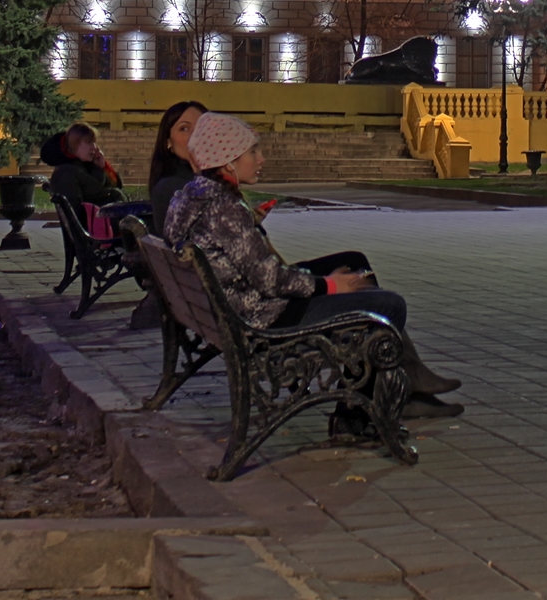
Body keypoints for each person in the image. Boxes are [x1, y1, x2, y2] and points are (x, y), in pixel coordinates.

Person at [165, 111, 464, 436]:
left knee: (355, 262)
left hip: (239, 306)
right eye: (252, 152)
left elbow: (247, 265)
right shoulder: (223, 209)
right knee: (388, 307)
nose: (261, 158)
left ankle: (403, 384)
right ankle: (356, 415)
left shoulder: (194, 197)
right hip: (263, 319)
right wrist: (330, 286)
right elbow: (270, 280)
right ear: (227, 164)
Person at [147, 100, 208, 233]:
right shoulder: (173, 188)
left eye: (202, 127)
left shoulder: (207, 180)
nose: (196, 135)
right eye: (184, 129)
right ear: (168, 141)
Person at [41, 122, 123, 205]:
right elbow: (94, 194)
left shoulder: (86, 166)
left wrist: (103, 166)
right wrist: (99, 169)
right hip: (98, 217)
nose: (94, 147)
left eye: (94, 142)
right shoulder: (66, 172)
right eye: (88, 142)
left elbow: (114, 187)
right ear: (74, 144)